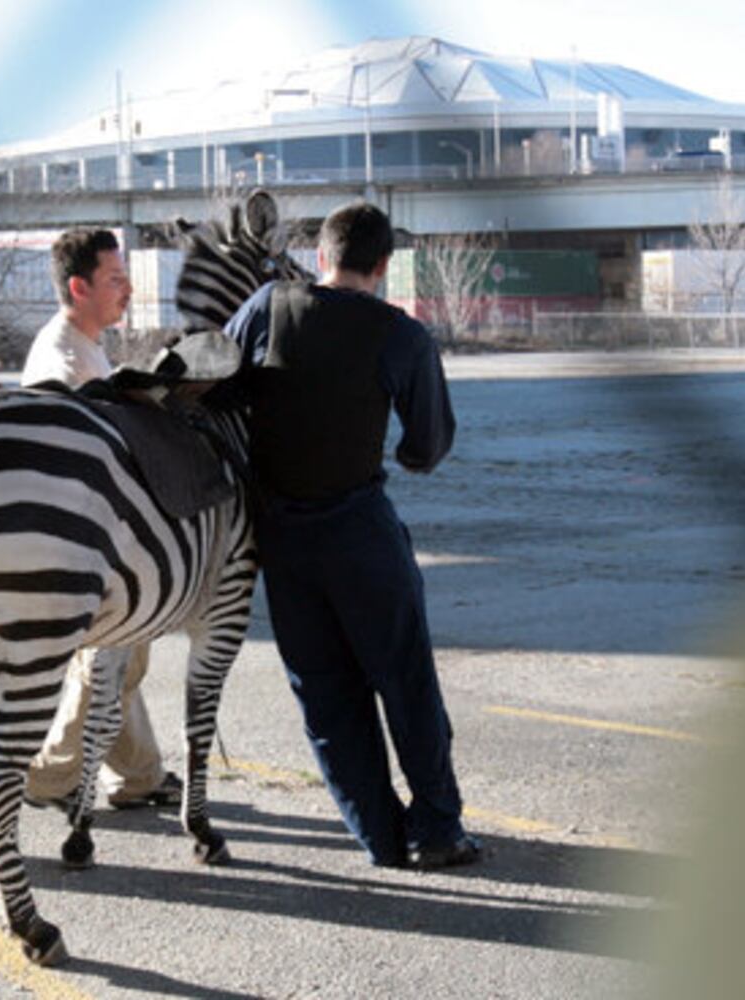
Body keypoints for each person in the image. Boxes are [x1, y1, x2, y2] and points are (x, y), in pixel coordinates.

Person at [222, 202, 481, 870]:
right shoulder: (399, 335)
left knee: (325, 694)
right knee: (404, 681)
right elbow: (426, 446)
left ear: (320, 257)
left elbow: (211, 382)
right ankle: (437, 831)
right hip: (358, 531)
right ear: (384, 267)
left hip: (279, 536)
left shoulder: (266, 308)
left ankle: (379, 838)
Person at [21, 227, 182, 810]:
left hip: (97, 539)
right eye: (115, 280)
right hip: (80, 546)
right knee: (108, 658)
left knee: (122, 650)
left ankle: (138, 774)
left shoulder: (85, 345)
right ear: (78, 286)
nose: (128, 290)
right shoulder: (63, 366)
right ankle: (41, 779)